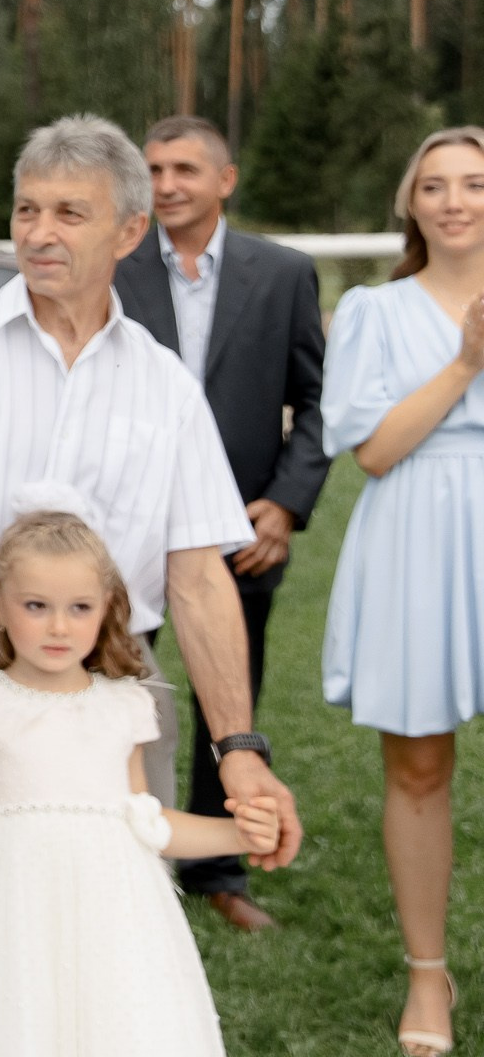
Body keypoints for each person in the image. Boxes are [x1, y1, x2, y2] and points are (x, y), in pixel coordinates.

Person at [0, 113, 303, 1057]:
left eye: (70, 214)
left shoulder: (165, 383)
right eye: (28, 209)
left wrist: (239, 748)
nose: (41, 233)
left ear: (130, 231)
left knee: (119, 955)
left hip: (117, 697)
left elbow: (201, 578)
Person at [0, 498, 281, 1057]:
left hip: (109, 902)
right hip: (4, 901)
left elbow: (148, 818)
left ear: (106, 609)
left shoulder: (125, 704)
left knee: (106, 1020)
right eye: (36, 605)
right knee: (12, 1020)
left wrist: (237, 835)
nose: (57, 626)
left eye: (78, 608)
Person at [113, 114, 329, 933]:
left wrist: (286, 502)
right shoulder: (117, 266)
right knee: (120, 690)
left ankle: (218, 865)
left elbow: (319, 402)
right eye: (155, 169)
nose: (167, 185)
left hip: (238, 526)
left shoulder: (283, 274)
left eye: (184, 170)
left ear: (225, 180)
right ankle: (127, 848)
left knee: (226, 699)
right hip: (124, 524)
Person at [319, 125, 484, 1057]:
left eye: (475, 182)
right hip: (420, 529)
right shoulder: (375, 314)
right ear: (411, 204)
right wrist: (466, 361)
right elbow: (375, 451)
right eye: (436, 186)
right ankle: (429, 977)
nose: (455, 200)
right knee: (419, 767)